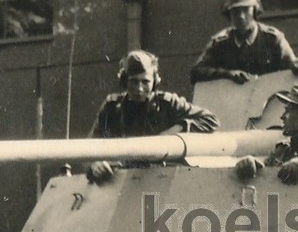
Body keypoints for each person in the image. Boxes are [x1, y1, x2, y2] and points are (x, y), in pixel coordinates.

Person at [87, 50, 219, 184]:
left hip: (164, 179)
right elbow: (89, 146)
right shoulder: (112, 107)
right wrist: (95, 164)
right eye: (134, 81)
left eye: (145, 82)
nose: (139, 88)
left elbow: (210, 120)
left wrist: (177, 129)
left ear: (155, 82)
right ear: (124, 81)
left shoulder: (168, 104)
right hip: (125, 180)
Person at [190, 0, 298, 84]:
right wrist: (226, 74)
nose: (241, 16)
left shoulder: (272, 39)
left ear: (255, 11)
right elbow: (196, 72)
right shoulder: (220, 43)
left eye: (246, 10)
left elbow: (294, 68)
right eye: (236, 11)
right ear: (229, 14)